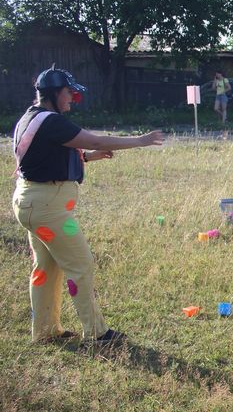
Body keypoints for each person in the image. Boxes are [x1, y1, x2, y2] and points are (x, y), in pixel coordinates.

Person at [12, 66, 164, 344]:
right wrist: (140, 141)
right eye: (69, 93)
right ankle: (97, 334)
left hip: (32, 205)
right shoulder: (51, 121)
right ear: (55, 93)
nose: (72, 98)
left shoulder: (30, 118)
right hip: (49, 210)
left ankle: (45, 332)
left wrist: (89, 157)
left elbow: (48, 156)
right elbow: (94, 138)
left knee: (46, 267)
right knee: (81, 264)